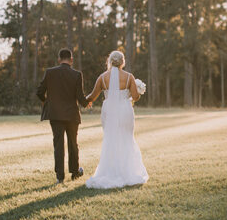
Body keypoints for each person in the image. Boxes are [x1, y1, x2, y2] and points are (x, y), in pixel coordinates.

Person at [83, 49, 148, 189]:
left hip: (109, 111)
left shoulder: (102, 77)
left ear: (110, 62)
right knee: (126, 137)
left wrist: (82, 100)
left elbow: (92, 97)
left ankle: (110, 171)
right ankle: (127, 171)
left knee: (111, 138)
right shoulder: (129, 76)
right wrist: (137, 90)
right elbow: (135, 97)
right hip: (125, 110)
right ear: (122, 62)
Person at [36, 48, 89, 184]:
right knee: (73, 144)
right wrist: (87, 102)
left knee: (58, 144)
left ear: (59, 59)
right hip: (72, 115)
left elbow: (39, 92)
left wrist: (46, 101)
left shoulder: (50, 73)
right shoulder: (77, 74)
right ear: (71, 60)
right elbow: (80, 96)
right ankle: (75, 172)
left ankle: (60, 176)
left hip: (55, 114)